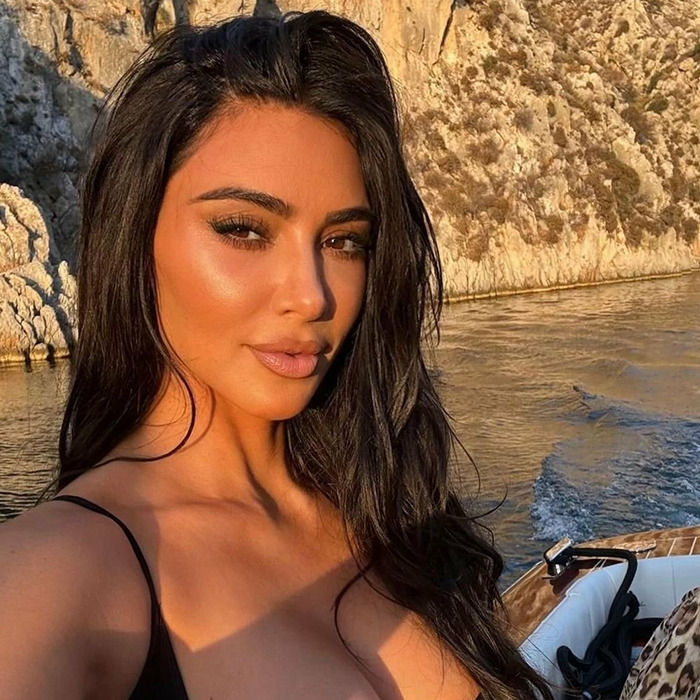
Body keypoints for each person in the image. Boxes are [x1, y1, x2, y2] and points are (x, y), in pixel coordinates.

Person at [0, 10, 553, 700]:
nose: (312, 295)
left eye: (344, 241)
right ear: (136, 240)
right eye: (243, 230)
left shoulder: (388, 508)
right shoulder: (65, 568)